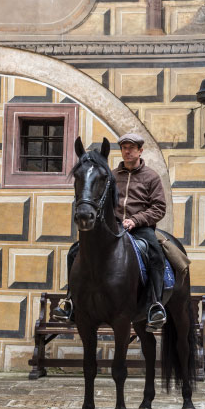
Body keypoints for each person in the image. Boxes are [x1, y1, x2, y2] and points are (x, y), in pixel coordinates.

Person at [52, 133, 168, 331]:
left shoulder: (151, 177)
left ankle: (154, 305)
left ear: (140, 151)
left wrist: (135, 220)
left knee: (156, 254)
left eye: (132, 147)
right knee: (74, 252)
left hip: (140, 228)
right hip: (112, 228)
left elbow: (158, 207)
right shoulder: (111, 176)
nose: (128, 151)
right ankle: (70, 301)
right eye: (124, 147)